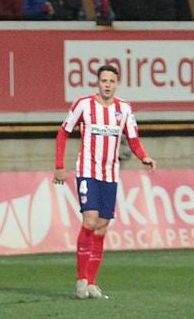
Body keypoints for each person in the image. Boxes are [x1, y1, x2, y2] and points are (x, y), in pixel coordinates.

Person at [54, 64, 155, 300]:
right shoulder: (84, 105)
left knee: (101, 226)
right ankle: (80, 280)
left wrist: (144, 156)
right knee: (89, 220)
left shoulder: (124, 109)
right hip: (87, 171)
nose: (107, 84)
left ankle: (91, 282)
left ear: (116, 84)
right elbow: (63, 133)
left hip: (110, 174)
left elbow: (133, 138)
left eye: (111, 81)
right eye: (104, 81)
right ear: (97, 83)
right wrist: (59, 166)